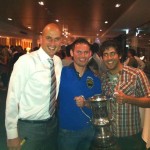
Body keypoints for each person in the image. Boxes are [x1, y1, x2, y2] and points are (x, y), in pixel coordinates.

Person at [5, 23, 62, 150]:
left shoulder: (58, 62)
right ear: (41, 39)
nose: (53, 43)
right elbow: (12, 98)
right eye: (49, 38)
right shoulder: (26, 61)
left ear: (61, 41)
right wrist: (12, 134)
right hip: (29, 127)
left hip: (52, 124)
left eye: (57, 39)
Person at [99, 40, 150, 150]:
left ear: (120, 55)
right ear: (102, 58)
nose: (109, 58)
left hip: (132, 137)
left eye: (112, 53)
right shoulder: (103, 78)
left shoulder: (136, 74)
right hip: (110, 136)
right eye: (105, 55)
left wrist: (128, 99)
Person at [58, 38, 102, 150]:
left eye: (86, 52)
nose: (83, 56)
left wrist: (86, 103)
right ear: (72, 53)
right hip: (67, 130)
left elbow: (98, 105)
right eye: (79, 52)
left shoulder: (95, 78)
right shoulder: (61, 73)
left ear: (90, 54)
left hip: (89, 130)